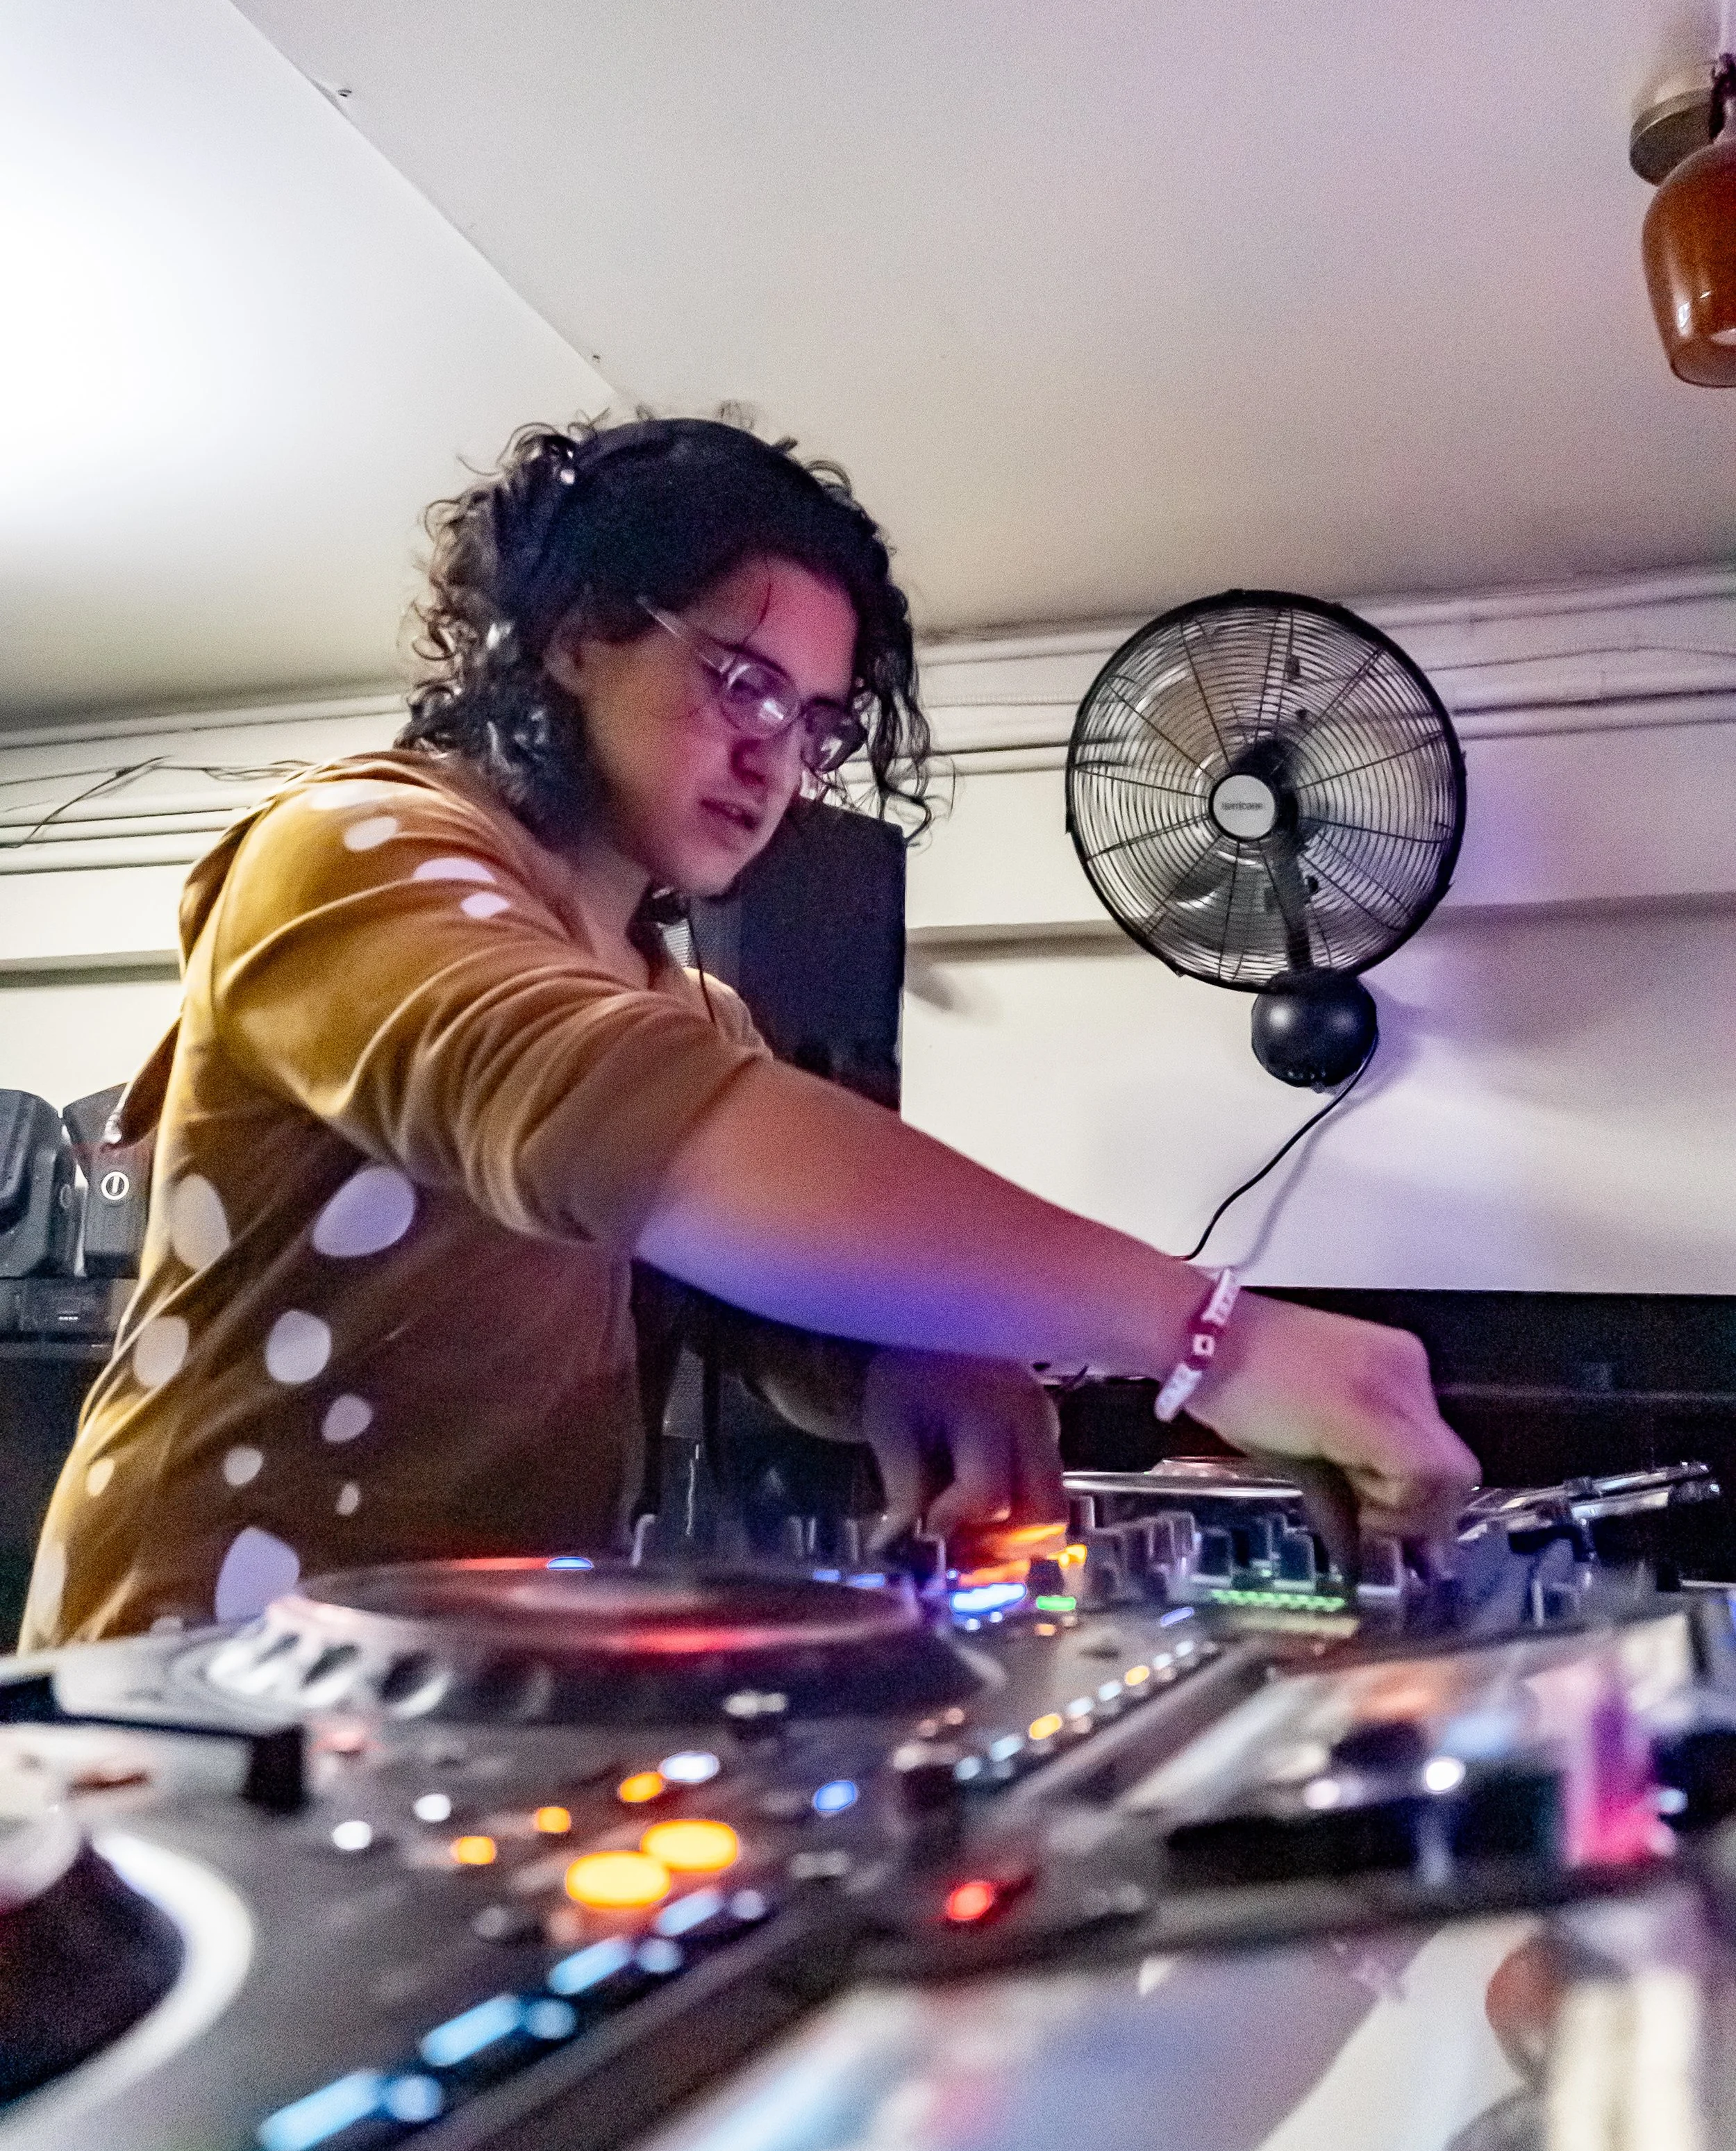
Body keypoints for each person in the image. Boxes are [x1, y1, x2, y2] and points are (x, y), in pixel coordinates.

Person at [19, 419, 1476, 1649]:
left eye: (818, 723)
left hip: (456, 1687)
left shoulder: (683, 998)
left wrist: (903, 1361)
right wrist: (1206, 1335)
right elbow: (627, 1122)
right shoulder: (356, 843)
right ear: (579, 635)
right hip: (191, 1672)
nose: (775, 755)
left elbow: (737, 1288)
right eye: (742, 682)